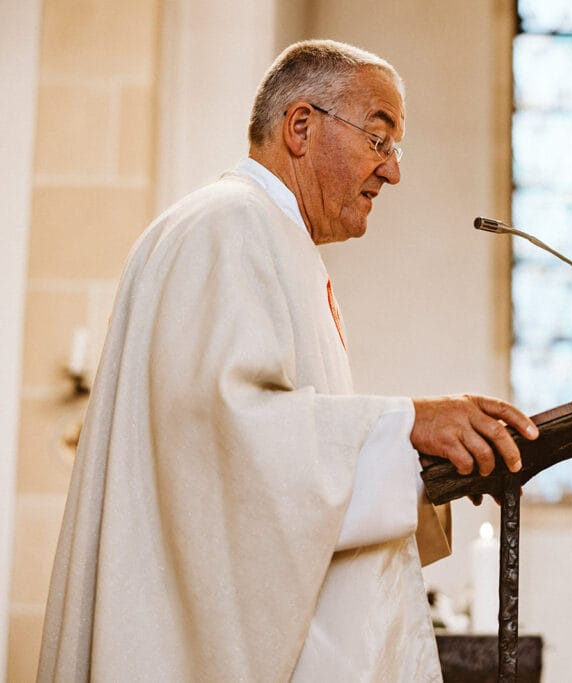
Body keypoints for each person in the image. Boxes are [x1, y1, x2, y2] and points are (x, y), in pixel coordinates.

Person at [37, 39, 537, 682]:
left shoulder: (271, 239)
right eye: (379, 140)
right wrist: (404, 427)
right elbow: (224, 445)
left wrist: (417, 466)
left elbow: (267, 464)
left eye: (396, 149)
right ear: (301, 126)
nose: (393, 171)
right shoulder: (228, 227)